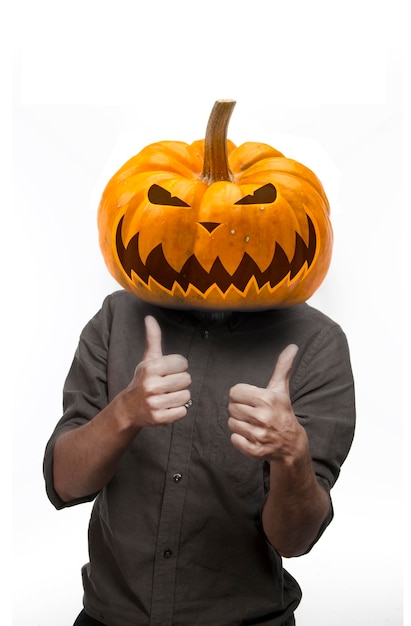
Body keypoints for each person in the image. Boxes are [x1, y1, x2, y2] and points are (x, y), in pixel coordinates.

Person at [43, 291, 355, 625]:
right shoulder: (117, 315)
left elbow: (295, 539)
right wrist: (124, 413)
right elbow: (64, 483)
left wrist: (291, 457)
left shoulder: (318, 342)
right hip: (108, 617)